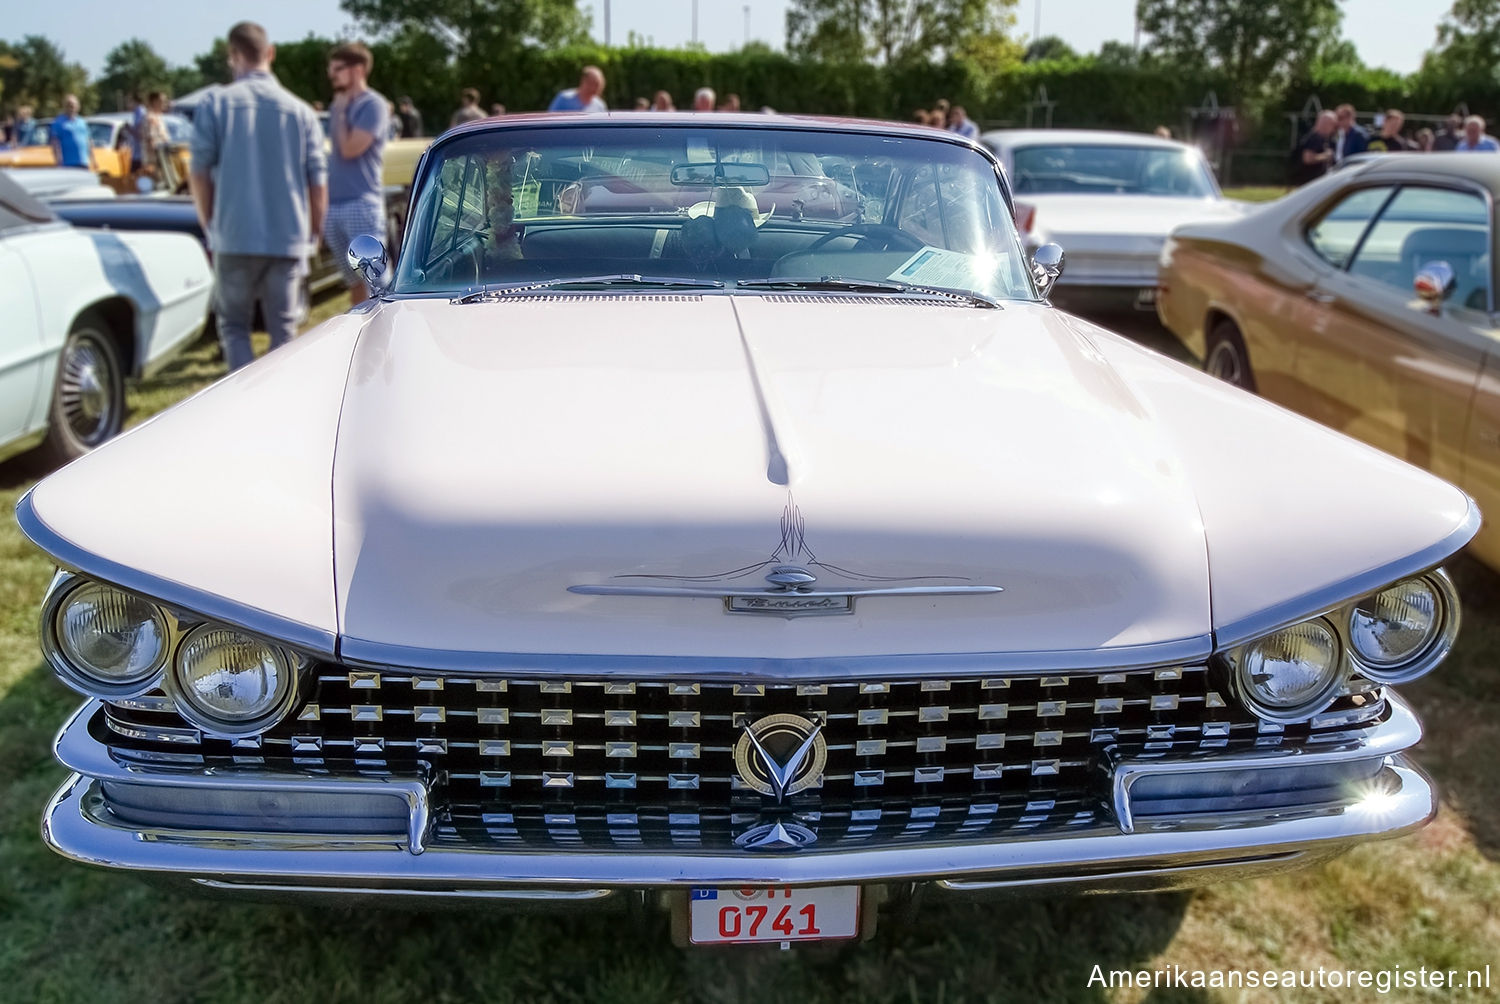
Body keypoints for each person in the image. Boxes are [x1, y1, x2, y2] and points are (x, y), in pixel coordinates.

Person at [189, 20, 327, 372]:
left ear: (233, 56)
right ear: (270, 53)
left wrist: (210, 224)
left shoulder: (216, 104)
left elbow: (199, 174)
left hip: (234, 234)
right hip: (287, 236)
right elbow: (317, 182)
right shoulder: (301, 111)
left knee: (234, 327)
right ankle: (280, 402)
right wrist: (313, 231)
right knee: (283, 329)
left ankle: (242, 404)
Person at [324, 41, 389, 308]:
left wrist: (339, 112)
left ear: (358, 69)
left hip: (361, 203)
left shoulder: (373, 105)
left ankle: (388, 336)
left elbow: (351, 148)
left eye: (338, 68)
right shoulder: (338, 106)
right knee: (353, 281)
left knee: (376, 280)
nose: (332, 75)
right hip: (336, 204)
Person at [1291, 110, 1336, 185]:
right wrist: (1326, 156)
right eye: (1331, 124)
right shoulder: (1314, 138)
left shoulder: (1323, 139)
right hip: (1308, 180)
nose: (1333, 128)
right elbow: (1307, 158)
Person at [50, 95, 95, 170]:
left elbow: (89, 141)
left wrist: (93, 160)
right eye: (69, 105)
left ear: (78, 106)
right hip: (67, 163)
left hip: (83, 162)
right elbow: (55, 143)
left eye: (74, 105)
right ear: (65, 107)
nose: (72, 108)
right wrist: (58, 160)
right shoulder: (58, 123)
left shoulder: (82, 122)